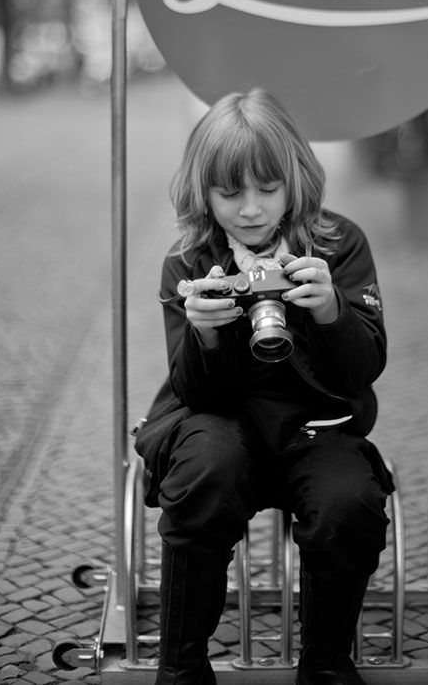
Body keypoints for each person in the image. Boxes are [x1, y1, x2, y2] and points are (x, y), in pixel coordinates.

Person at [135, 88, 393, 685]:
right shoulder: (190, 259)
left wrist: (330, 311)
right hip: (220, 422)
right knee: (204, 470)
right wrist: (204, 335)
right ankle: (181, 667)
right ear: (204, 191)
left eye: (267, 189)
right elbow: (198, 396)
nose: (250, 209)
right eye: (230, 192)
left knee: (349, 501)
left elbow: (364, 369)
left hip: (314, 426)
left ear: (296, 180)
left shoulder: (338, 243)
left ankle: (326, 666)